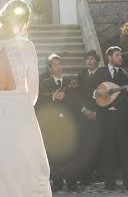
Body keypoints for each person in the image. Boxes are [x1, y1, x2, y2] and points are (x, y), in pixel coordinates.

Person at [0, 0, 51, 196]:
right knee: (24, 163)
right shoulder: (28, 46)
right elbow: (34, 91)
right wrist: (20, 104)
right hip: (21, 109)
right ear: (23, 22)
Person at [91, 45, 128, 191]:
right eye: (117, 55)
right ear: (109, 57)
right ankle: (109, 183)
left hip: (122, 117)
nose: (120, 58)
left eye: (121, 55)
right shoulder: (100, 72)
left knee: (126, 150)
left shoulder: (126, 73)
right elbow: (89, 89)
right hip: (105, 117)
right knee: (108, 150)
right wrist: (98, 93)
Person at [37, 53, 81, 193]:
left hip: (68, 123)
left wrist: (66, 96)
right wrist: (53, 96)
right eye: (55, 65)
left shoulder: (70, 82)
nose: (58, 67)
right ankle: (57, 182)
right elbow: (39, 102)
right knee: (54, 154)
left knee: (70, 153)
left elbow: (76, 101)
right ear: (50, 69)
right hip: (52, 124)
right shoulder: (44, 83)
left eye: (59, 64)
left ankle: (72, 183)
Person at [72, 49, 102, 186]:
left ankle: (94, 174)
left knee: (95, 145)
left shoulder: (103, 74)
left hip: (98, 115)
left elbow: (106, 95)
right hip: (84, 114)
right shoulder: (81, 75)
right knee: (82, 145)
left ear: (97, 61)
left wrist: (97, 112)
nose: (89, 61)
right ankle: (83, 175)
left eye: (92, 59)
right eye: (87, 59)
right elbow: (77, 96)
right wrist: (84, 110)